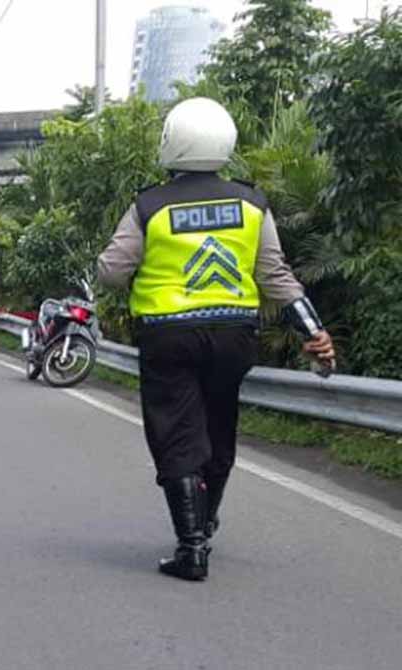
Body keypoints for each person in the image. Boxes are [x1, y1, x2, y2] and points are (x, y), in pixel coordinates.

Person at [97, 97, 336, 582]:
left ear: (172, 143)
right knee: (218, 428)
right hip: (233, 336)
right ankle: (204, 522)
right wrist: (314, 331)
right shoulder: (252, 203)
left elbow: (112, 272)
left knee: (176, 433)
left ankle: (192, 547)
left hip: (169, 334)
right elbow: (276, 275)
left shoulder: (149, 205)